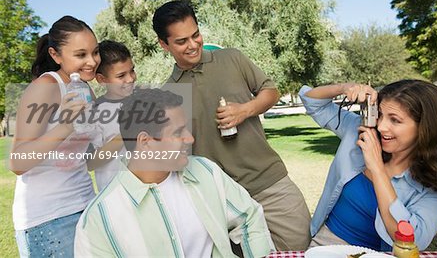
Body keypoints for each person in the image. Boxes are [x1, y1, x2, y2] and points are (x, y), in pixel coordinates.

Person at [152, 0, 311, 250]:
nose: (193, 45)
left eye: (196, 35)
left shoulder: (232, 59)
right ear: (164, 45)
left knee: (300, 247)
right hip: (220, 201)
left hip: (269, 182)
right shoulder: (167, 95)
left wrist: (244, 110)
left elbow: (270, 91)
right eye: (181, 41)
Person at [74, 88, 275, 257]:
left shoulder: (206, 172)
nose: (190, 139)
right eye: (178, 133)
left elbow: (249, 218)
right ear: (146, 142)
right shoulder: (99, 219)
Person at [299, 80, 437, 251]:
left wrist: (377, 169)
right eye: (380, 115)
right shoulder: (361, 131)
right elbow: (312, 102)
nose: (381, 126)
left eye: (395, 120)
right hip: (328, 243)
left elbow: (415, 240)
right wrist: (343, 88)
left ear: (425, 128)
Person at [9, 16, 100, 257]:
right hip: (50, 218)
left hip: (85, 206)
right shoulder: (46, 87)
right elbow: (18, 162)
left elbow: (87, 156)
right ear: (56, 55)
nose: (92, 61)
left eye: (95, 52)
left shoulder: (86, 89)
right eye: (81, 55)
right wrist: (66, 126)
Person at [90, 40, 136, 191]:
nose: (130, 79)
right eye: (121, 75)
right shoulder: (95, 112)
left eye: (132, 70)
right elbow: (90, 162)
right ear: (102, 80)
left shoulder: (144, 102)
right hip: (115, 196)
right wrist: (126, 133)